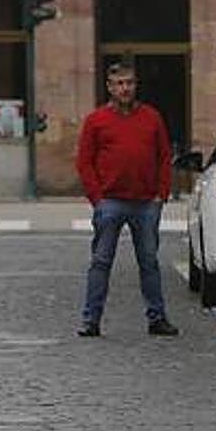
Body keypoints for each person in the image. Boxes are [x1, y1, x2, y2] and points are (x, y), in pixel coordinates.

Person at [75, 62, 179, 337]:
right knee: (101, 261)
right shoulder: (96, 120)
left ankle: (157, 318)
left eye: (129, 83)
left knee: (149, 262)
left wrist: (161, 194)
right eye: (119, 83)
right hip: (110, 201)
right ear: (109, 87)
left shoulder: (152, 118)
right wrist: (97, 198)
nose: (125, 88)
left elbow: (164, 156)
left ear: (136, 85)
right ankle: (91, 319)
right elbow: (84, 161)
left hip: (146, 202)